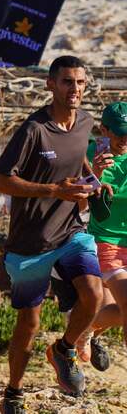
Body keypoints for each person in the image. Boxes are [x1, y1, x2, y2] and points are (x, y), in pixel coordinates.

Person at [0, 55, 104, 414]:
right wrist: (54, 190)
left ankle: (64, 349)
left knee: (93, 295)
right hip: (31, 241)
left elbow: (77, 161)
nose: (75, 90)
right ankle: (13, 391)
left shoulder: (85, 122)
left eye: (81, 83)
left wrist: (94, 181)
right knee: (30, 321)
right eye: (68, 82)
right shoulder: (33, 129)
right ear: (50, 85)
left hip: (71, 230)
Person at [82, 102, 127, 358]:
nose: (124, 138)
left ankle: (87, 324)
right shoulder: (91, 154)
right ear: (104, 130)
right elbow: (78, 200)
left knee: (121, 310)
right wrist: (95, 174)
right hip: (107, 241)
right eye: (119, 131)